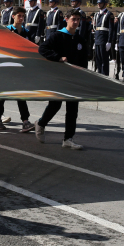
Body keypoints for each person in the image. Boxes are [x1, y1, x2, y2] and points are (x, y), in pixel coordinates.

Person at [34, 8, 89, 149]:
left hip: (74, 79)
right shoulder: (57, 36)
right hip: (59, 78)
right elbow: (42, 49)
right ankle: (41, 124)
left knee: (72, 109)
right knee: (55, 105)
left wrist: (84, 76)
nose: (76, 22)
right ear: (66, 19)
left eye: (78, 19)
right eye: (73, 19)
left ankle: (68, 139)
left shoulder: (80, 39)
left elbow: (84, 61)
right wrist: (58, 58)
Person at [0, 6, 35, 131]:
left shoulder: (27, 33)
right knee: (3, 93)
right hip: (7, 67)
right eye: (19, 16)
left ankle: (25, 121)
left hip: (21, 68)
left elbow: (32, 50)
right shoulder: (6, 31)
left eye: (23, 16)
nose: (21, 18)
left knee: (21, 94)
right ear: (13, 17)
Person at [92, 0, 115, 76]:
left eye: (100, 3)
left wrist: (109, 41)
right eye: (98, 3)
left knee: (104, 60)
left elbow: (111, 29)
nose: (98, 4)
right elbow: (95, 28)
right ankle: (99, 75)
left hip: (104, 39)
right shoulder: (96, 15)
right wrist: (95, 41)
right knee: (98, 60)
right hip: (98, 39)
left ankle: (105, 75)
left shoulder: (109, 14)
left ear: (105, 4)